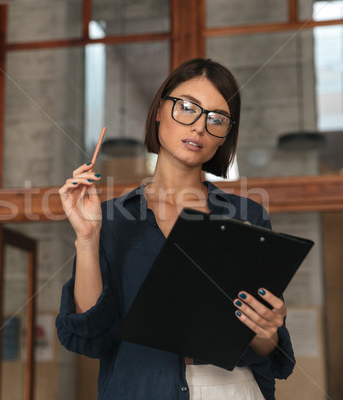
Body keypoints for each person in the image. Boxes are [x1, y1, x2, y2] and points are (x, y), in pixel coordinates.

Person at [56, 58, 295, 400]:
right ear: (158, 110)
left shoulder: (247, 216)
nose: (199, 127)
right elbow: (93, 337)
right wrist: (87, 237)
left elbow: (262, 346)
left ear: (225, 135)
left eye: (216, 119)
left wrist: (268, 329)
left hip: (231, 389)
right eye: (186, 108)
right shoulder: (109, 218)